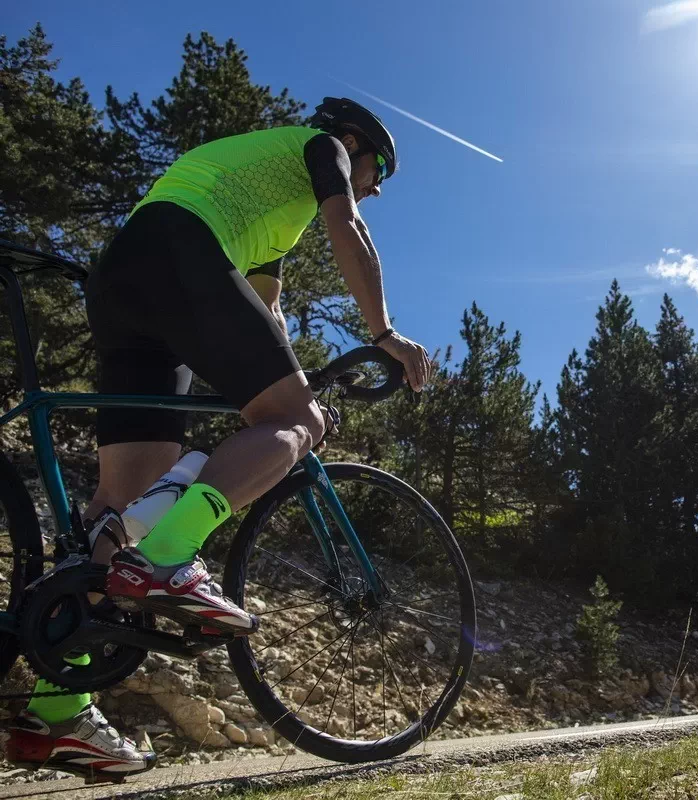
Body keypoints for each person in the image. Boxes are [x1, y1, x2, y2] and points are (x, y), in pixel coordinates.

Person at [5, 97, 431, 782]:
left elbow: (266, 312)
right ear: (353, 142)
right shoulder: (319, 146)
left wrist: (291, 394)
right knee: (297, 423)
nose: (375, 185)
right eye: (377, 167)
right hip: (181, 250)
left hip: (129, 275)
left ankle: (56, 712)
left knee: (120, 509)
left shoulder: (269, 216)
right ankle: (169, 561)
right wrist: (381, 335)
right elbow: (347, 222)